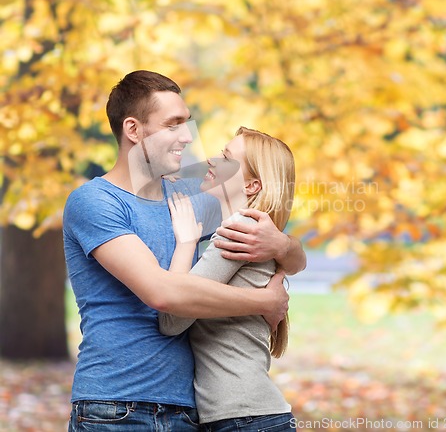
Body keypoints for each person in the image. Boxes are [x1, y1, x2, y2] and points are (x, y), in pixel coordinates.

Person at [63, 70, 306, 431]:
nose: (187, 136)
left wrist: (283, 245)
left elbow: (273, 232)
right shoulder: (95, 201)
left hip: (189, 412)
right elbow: (162, 294)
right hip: (116, 406)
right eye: (173, 125)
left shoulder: (187, 198)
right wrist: (264, 303)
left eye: (187, 124)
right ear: (134, 130)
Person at [159, 126, 298, 431]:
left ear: (251, 186)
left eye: (225, 158)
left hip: (244, 418)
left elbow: (172, 320)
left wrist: (186, 243)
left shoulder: (239, 233)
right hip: (248, 416)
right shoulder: (255, 232)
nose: (212, 161)